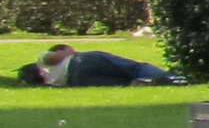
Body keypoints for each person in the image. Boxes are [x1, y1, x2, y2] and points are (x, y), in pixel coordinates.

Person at [16, 42, 182, 87]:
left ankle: (148, 82)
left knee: (126, 81)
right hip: (82, 63)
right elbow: (57, 56)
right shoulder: (42, 59)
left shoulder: (50, 81)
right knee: (135, 68)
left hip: (78, 81)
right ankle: (173, 77)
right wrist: (71, 53)